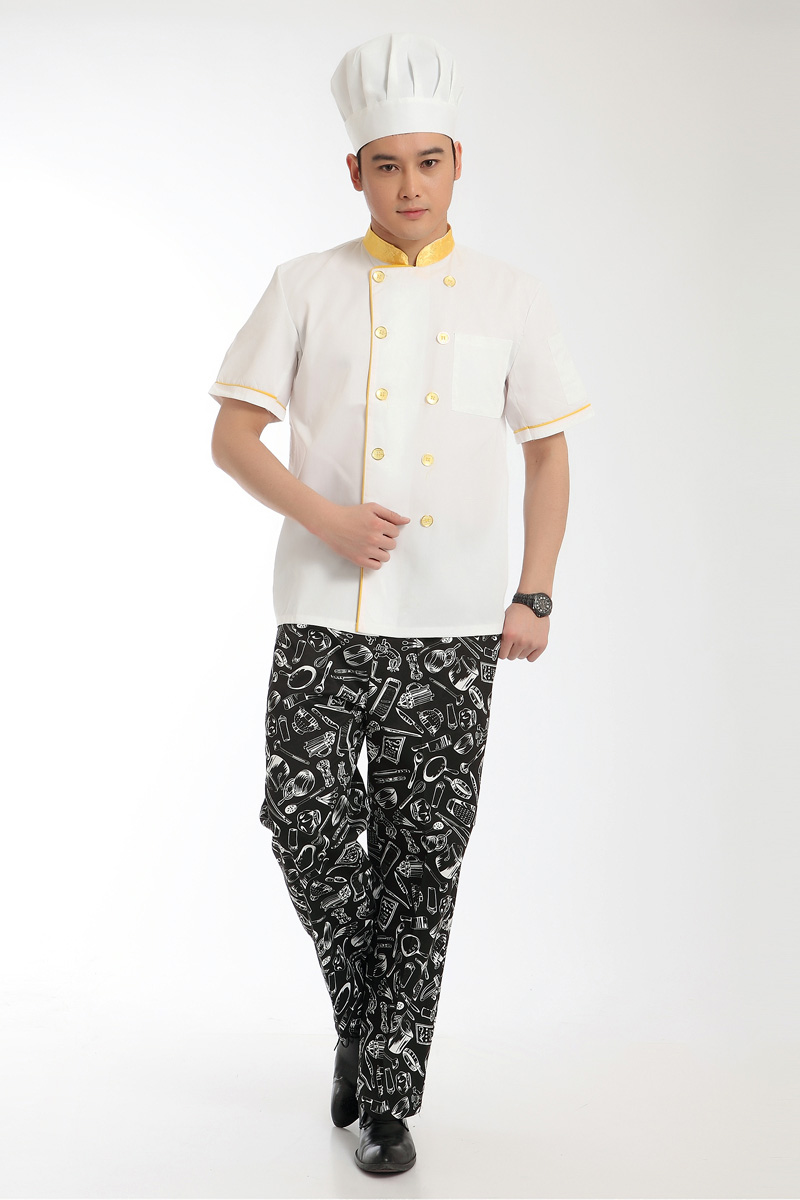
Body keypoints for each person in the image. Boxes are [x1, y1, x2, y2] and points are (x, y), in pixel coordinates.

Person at [207, 31, 594, 1175]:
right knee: (303, 825)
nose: (409, 184)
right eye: (386, 165)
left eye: (428, 161)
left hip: (457, 626)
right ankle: (367, 1018)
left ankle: (386, 1096)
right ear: (355, 173)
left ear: (456, 163)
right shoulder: (303, 286)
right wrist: (323, 517)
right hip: (321, 613)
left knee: (422, 866)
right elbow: (233, 435)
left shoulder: (512, 295)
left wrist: (533, 593)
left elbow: (546, 454)